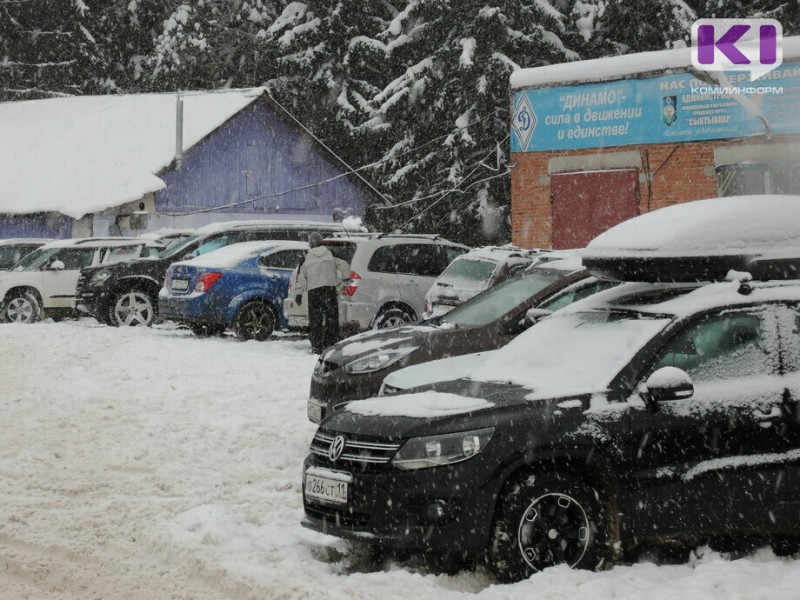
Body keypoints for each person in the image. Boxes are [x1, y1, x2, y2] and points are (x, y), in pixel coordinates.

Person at [294, 232, 350, 354]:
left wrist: (298, 293)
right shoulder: (330, 253)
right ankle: (331, 344)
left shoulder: (306, 258)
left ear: (310, 243)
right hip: (329, 290)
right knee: (332, 320)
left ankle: (317, 347)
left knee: (315, 321)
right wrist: (346, 279)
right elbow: (344, 265)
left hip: (314, 292)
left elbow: (301, 277)